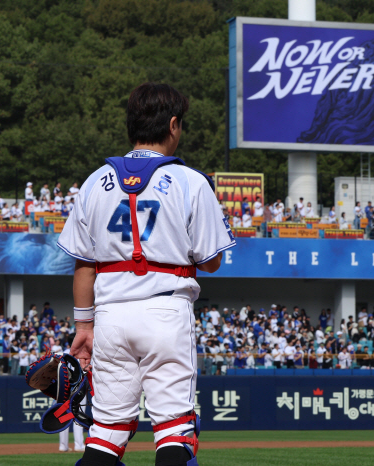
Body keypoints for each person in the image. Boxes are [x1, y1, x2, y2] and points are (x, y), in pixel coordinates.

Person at [59, 83, 233, 466]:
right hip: (165, 312)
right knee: (175, 431)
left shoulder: (94, 182)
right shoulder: (191, 181)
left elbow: (84, 265)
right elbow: (211, 261)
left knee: (105, 436)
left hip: (110, 317)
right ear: (173, 125)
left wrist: (84, 327)